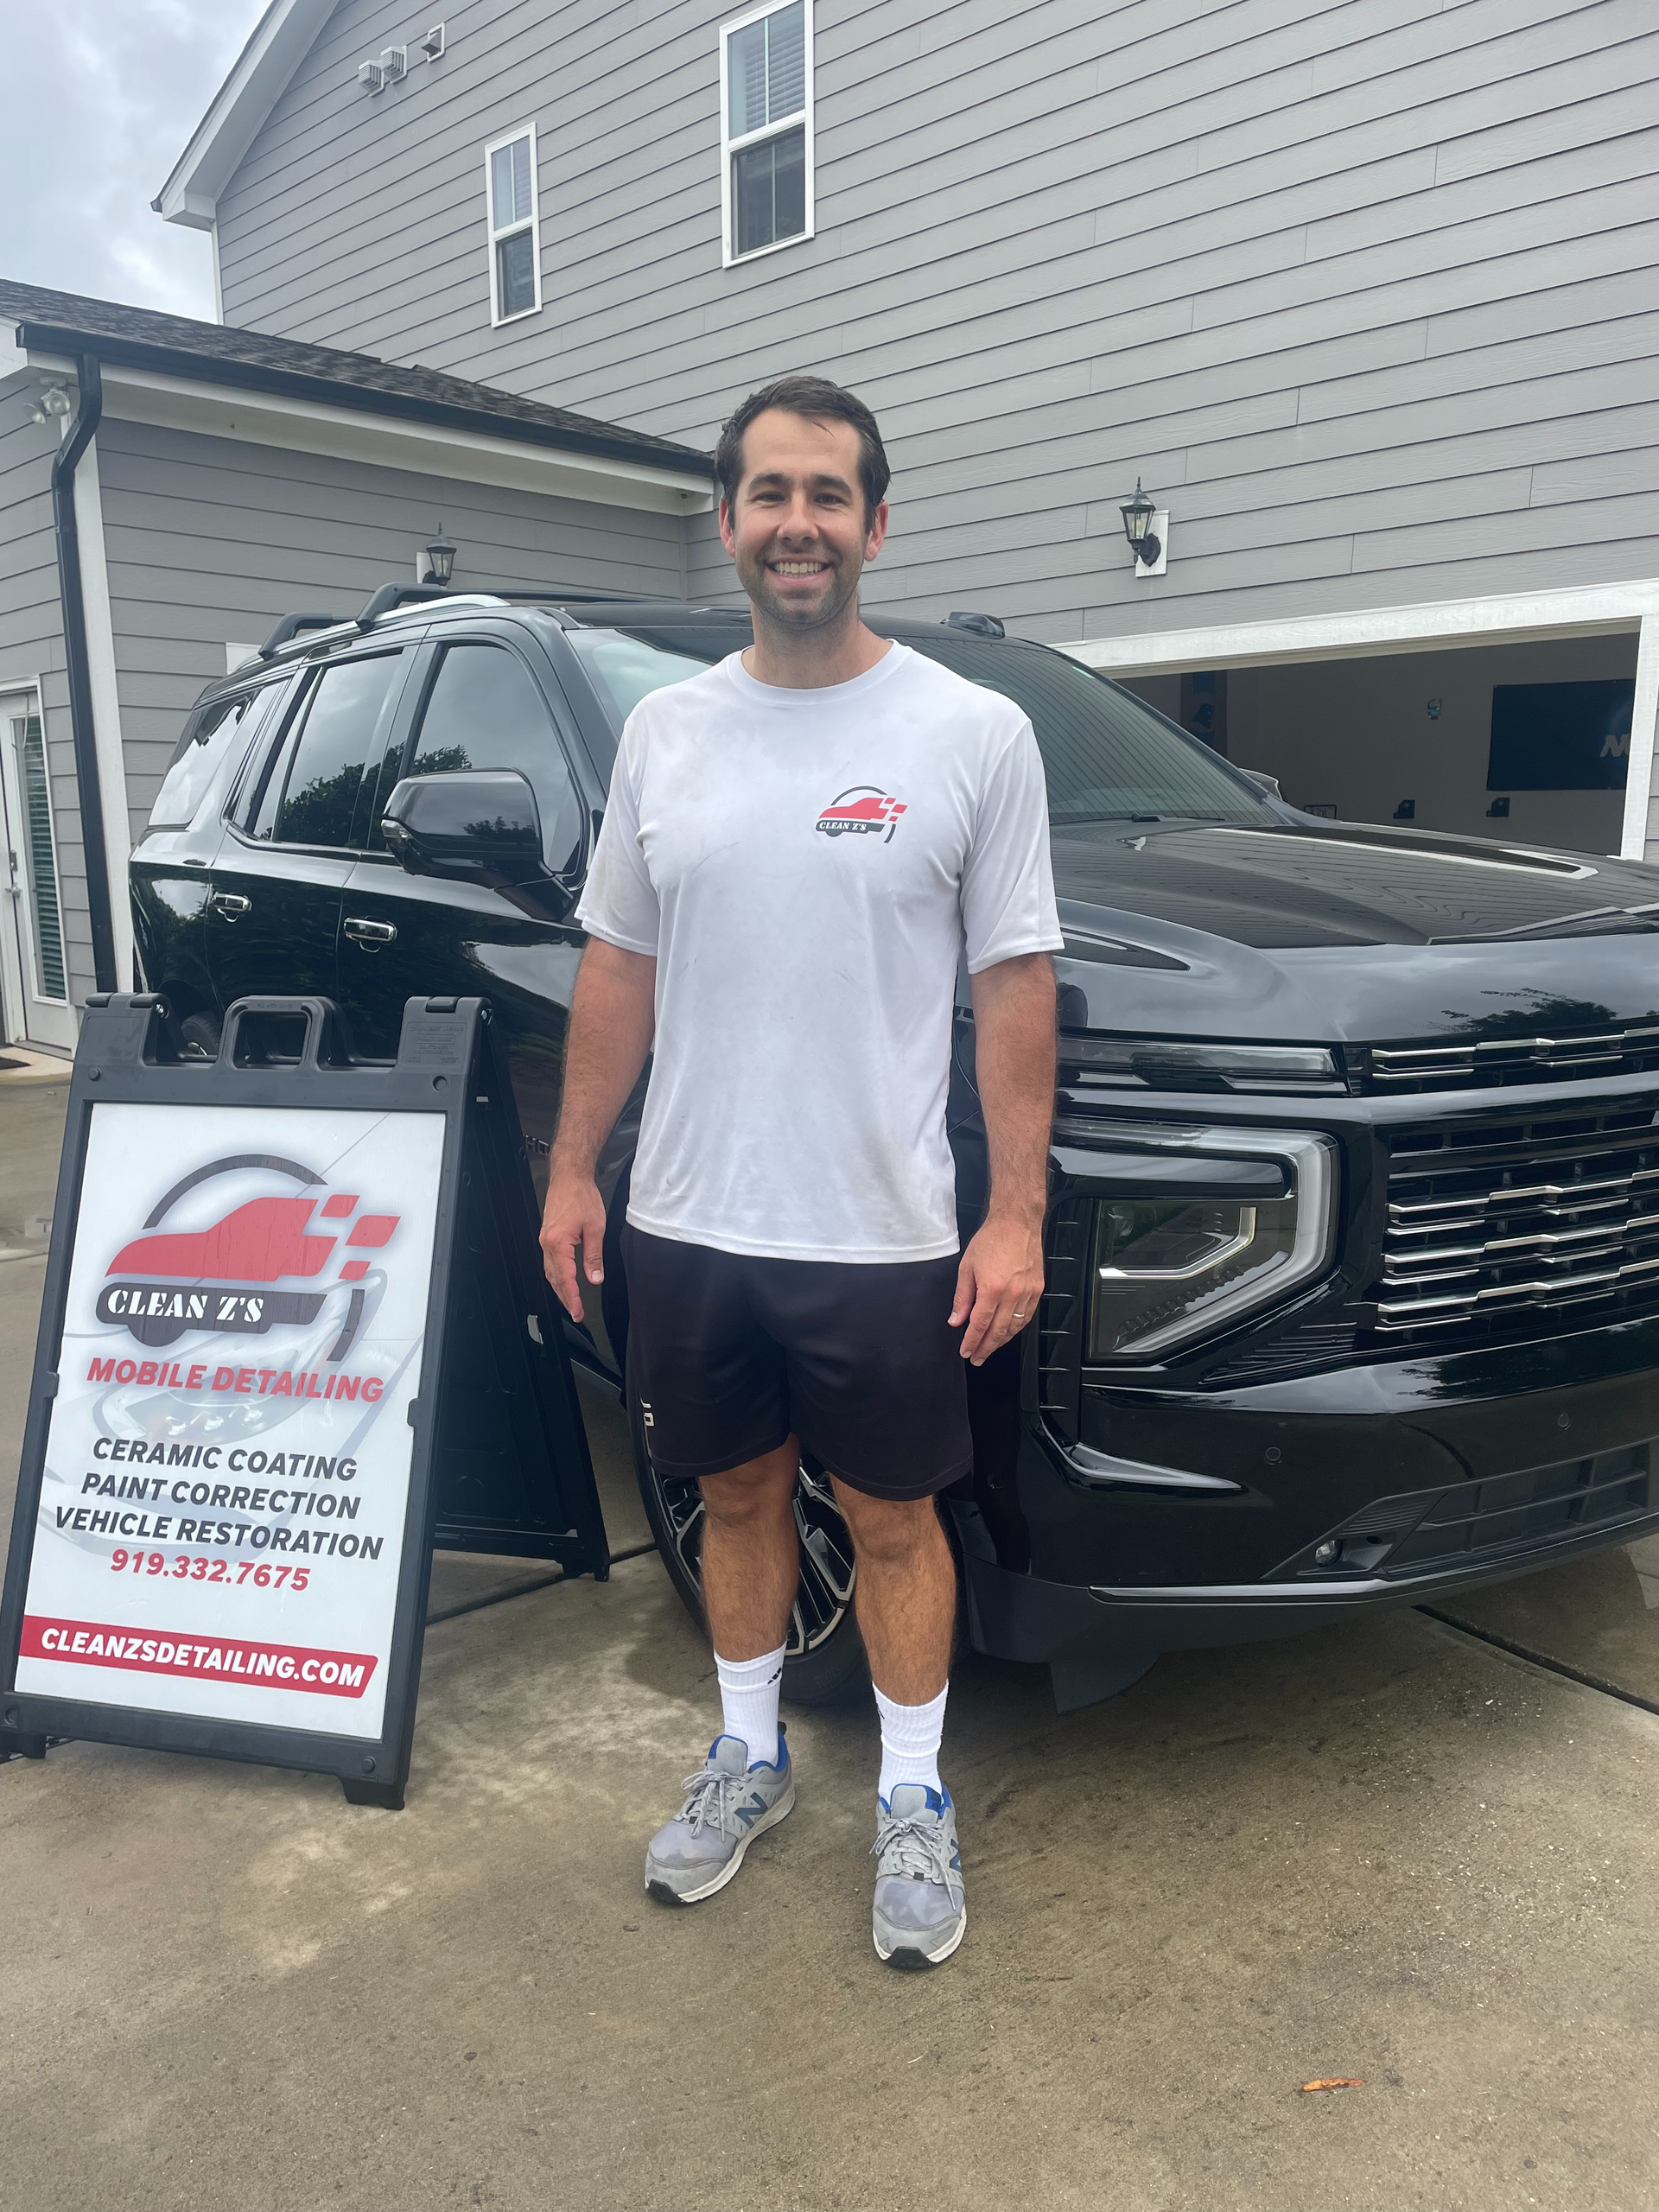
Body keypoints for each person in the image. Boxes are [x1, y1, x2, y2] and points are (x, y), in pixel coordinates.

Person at [538, 372, 1061, 1970]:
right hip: (690, 1215)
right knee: (734, 1495)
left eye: (828, 495)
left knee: (896, 1521)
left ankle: (912, 1798)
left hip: (882, 1226)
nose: (798, 525)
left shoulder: (973, 734)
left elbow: (1015, 984)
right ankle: (751, 1756)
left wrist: (1014, 1212)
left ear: (876, 524)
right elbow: (617, 964)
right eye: (770, 495)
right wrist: (575, 1172)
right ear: (729, 524)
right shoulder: (667, 734)